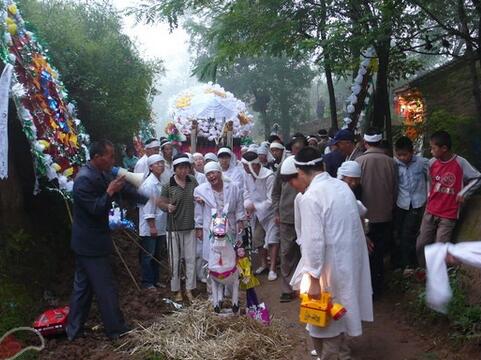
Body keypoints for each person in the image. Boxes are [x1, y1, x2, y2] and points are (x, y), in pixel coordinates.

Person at [291, 147, 373, 359]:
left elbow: (313, 241)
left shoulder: (311, 197)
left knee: (324, 319)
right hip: (349, 260)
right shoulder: (342, 187)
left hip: (328, 266)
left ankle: (333, 356)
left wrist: (314, 277)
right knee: (341, 309)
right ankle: (343, 353)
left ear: (301, 172)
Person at [66, 140, 148, 341]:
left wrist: (150, 199)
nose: (113, 160)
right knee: (105, 287)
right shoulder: (83, 180)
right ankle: (116, 329)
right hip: (90, 244)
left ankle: (74, 331)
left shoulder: (101, 173)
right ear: (97, 158)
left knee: (82, 288)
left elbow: (125, 190)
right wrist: (110, 191)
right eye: (110, 156)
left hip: (87, 243)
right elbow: (96, 209)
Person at [416, 131, 481, 266]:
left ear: (444, 148)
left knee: (440, 246)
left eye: (434, 148)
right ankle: (423, 269)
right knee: (422, 243)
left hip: (449, 213)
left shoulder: (460, 163)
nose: (431, 151)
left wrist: (463, 193)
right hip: (431, 210)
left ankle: (436, 273)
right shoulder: (432, 163)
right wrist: (429, 196)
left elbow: (477, 178)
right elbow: (429, 181)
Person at [194, 161, 245, 312]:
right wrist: (198, 227)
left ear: (220, 173)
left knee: (230, 258)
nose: (211, 176)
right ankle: (214, 295)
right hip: (211, 229)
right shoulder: (200, 191)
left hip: (230, 227)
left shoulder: (233, 187)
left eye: (214, 173)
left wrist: (240, 220)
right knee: (212, 260)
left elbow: (240, 206)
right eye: (208, 174)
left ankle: (230, 293)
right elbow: (197, 212)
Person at [356, 127, 397, 297]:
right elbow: (396, 189)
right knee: (379, 252)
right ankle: (379, 287)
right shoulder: (391, 162)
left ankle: (367, 289)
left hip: (365, 217)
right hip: (386, 214)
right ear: (380, 143)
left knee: (366, 252)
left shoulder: (359, 162)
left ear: (365, 143)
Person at [158, 153, 199, 302]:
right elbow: (160, 203)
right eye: (180, 168)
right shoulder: (168, 185)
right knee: (174, 260)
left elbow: (199, 195)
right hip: (174, 228)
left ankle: (189, 288)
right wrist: (167, 206)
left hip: (190, 226)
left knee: (190, 259)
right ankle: (176, 290)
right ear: (175, 169)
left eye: (186, 168)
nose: (183, 171)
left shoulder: (193, 181)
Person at [242, 150, 280, 281]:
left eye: (246, 166)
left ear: (255, 165)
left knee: (272, 240)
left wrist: (255, 206)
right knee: (258, 239)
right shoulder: (247, 176)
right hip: (257, 214)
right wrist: (248, 205)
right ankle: (264, 264)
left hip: (271, 213)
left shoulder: (269, 176)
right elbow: (246, 192)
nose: (244, 168)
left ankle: (273, 268)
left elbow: (271, 199)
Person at [394, 136, 428, 273]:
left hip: (417, 203)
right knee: (400, 233)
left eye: (405, 154)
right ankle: (403, 263)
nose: (402, 157)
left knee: (408, 233)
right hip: (401, 203)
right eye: (399, 154)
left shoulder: (422, 163)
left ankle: (410, 265)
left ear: (412, 152)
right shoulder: (394, 164)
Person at [272, 155, 301, 302]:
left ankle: (303, 287)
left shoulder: (307, 168)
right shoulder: (285, 165)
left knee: (305, 251)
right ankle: (287, 288)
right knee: (286, 252)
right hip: (287, 215)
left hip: (306, 216)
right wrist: (276, 210)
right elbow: (275, 191)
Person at [138, 154, 168, 289]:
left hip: (160, 223)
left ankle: (155, 280)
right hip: (151, 225)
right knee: (148, 255)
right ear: (150, 167)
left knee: (157, 255)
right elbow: (148, 207)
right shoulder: (149, 184)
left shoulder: (160, 181)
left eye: (161, 163)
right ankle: (147, 282)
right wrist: (152, 226)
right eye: (157, 164)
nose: (160, 165)